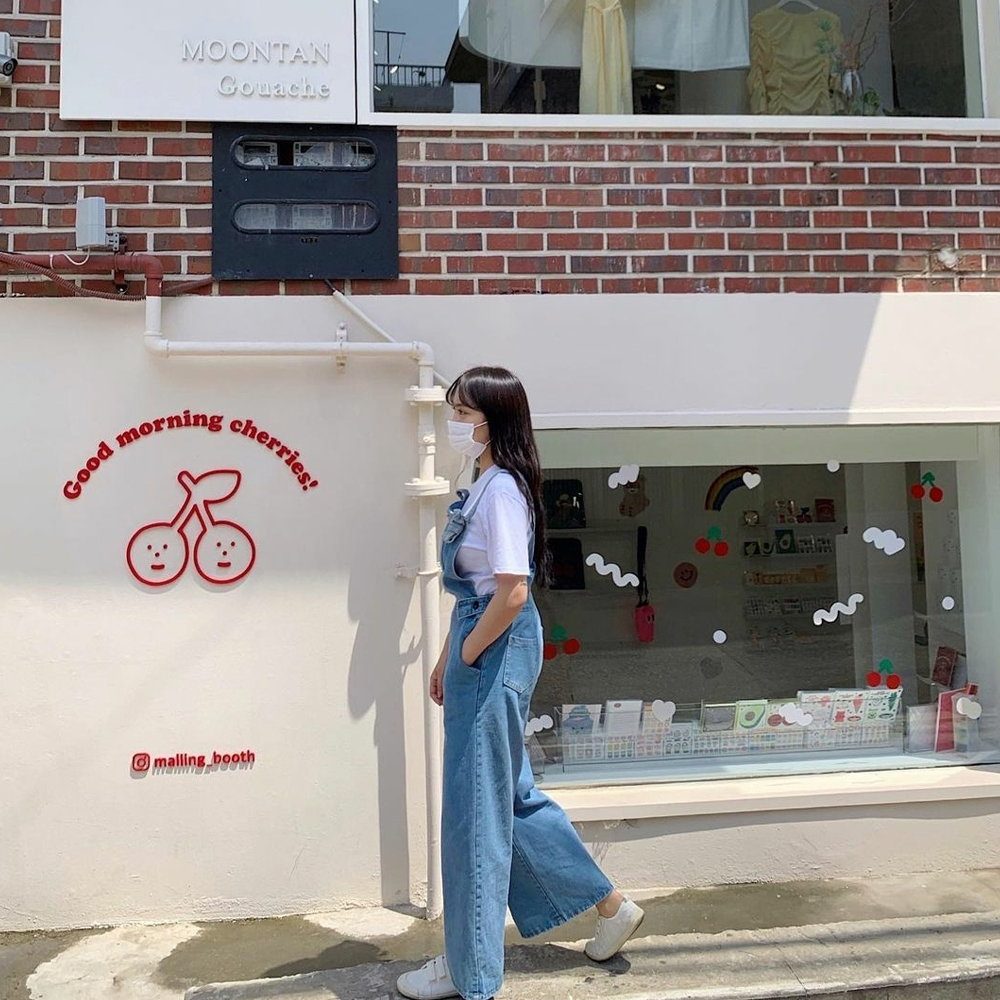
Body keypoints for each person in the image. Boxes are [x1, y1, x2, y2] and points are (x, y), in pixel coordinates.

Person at [397, 367, 644, 1000]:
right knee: (508, 795)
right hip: (485, 639)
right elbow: (477, 592)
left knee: (474, 813)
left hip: (493, 645)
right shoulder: (484, 483)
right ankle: (611, 906)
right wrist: (447, 656)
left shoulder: (500, 489)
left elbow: (510, 592)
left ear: (492, 420)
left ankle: (470, 972)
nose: (453, 422)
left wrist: (467, 655)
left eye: (462, 412)